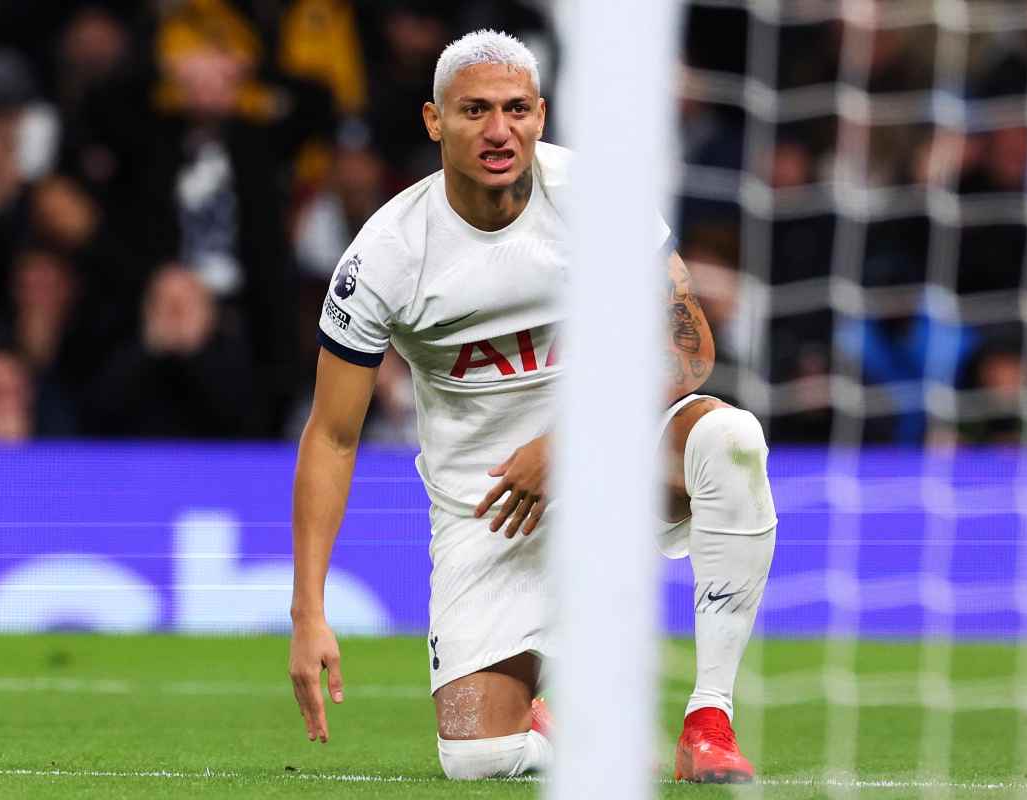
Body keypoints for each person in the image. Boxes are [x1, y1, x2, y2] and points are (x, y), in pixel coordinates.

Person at [288, 29, 777, 784]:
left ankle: (708, 719)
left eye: (516, 109)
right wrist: (308, 613)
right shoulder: (386, 254)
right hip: (491, 513)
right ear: (434, 120)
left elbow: (689, 350)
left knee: (730, 439)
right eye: (474, 110)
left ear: (541, 115)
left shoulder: (593, 196)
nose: (499, 130)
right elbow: (332, 436)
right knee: (474, 758)